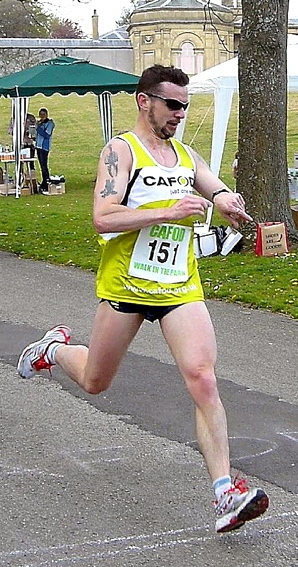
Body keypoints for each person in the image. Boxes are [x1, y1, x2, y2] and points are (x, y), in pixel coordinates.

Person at [17, 64, 269, 533]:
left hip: (177, 285)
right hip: (126, 284)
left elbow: (214, 186)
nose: (179, 113)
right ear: (144, 101)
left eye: (184, 105)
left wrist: (227, 202)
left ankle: (224, 492)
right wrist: (169, 210)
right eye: (172, 104)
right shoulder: (121, 151)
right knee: (95, 382)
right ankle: (53, 349)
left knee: (203, 378)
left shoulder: (185, 155)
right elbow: (101, 217)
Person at [35, 107, 55, 193]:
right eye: (40, 114)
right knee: (41, 165)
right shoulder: (40, 123)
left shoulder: (49, 123)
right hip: (38, 146)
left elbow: (47, 135)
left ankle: (46, 182)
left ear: (46, 114)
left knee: (44, 165)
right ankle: (44, 181)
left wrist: (38, 128)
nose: (42, 116)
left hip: (44, 147)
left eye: (43, 114)